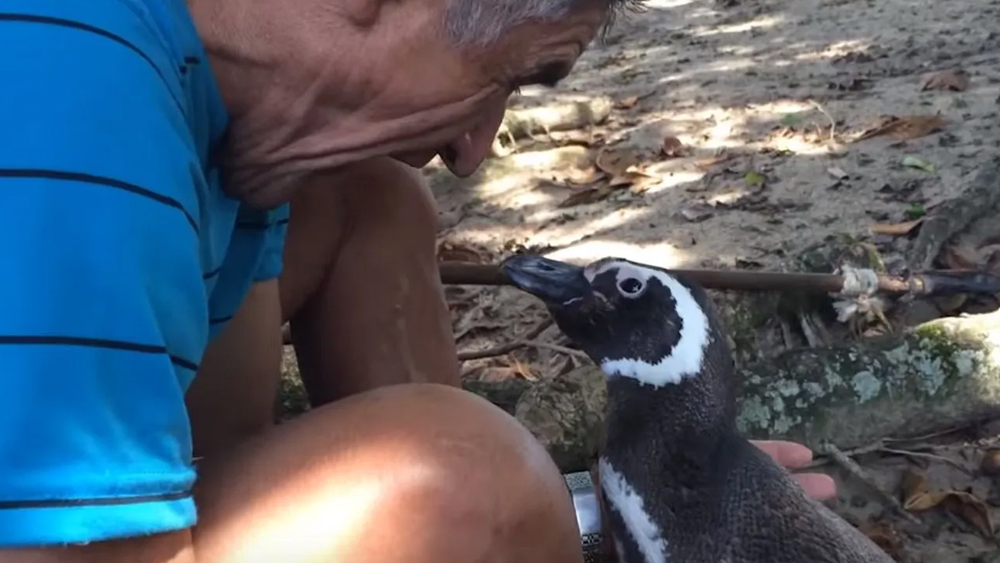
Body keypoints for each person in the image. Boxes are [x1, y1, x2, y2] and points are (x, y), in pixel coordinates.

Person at [0, 0, 836, 562]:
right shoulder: (80, 131)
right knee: (470, 470)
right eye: (509, 77)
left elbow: (218, 458)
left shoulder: (193, 77)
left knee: (372, 205)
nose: (473, 151)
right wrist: (496, 496)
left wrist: (612, 502)